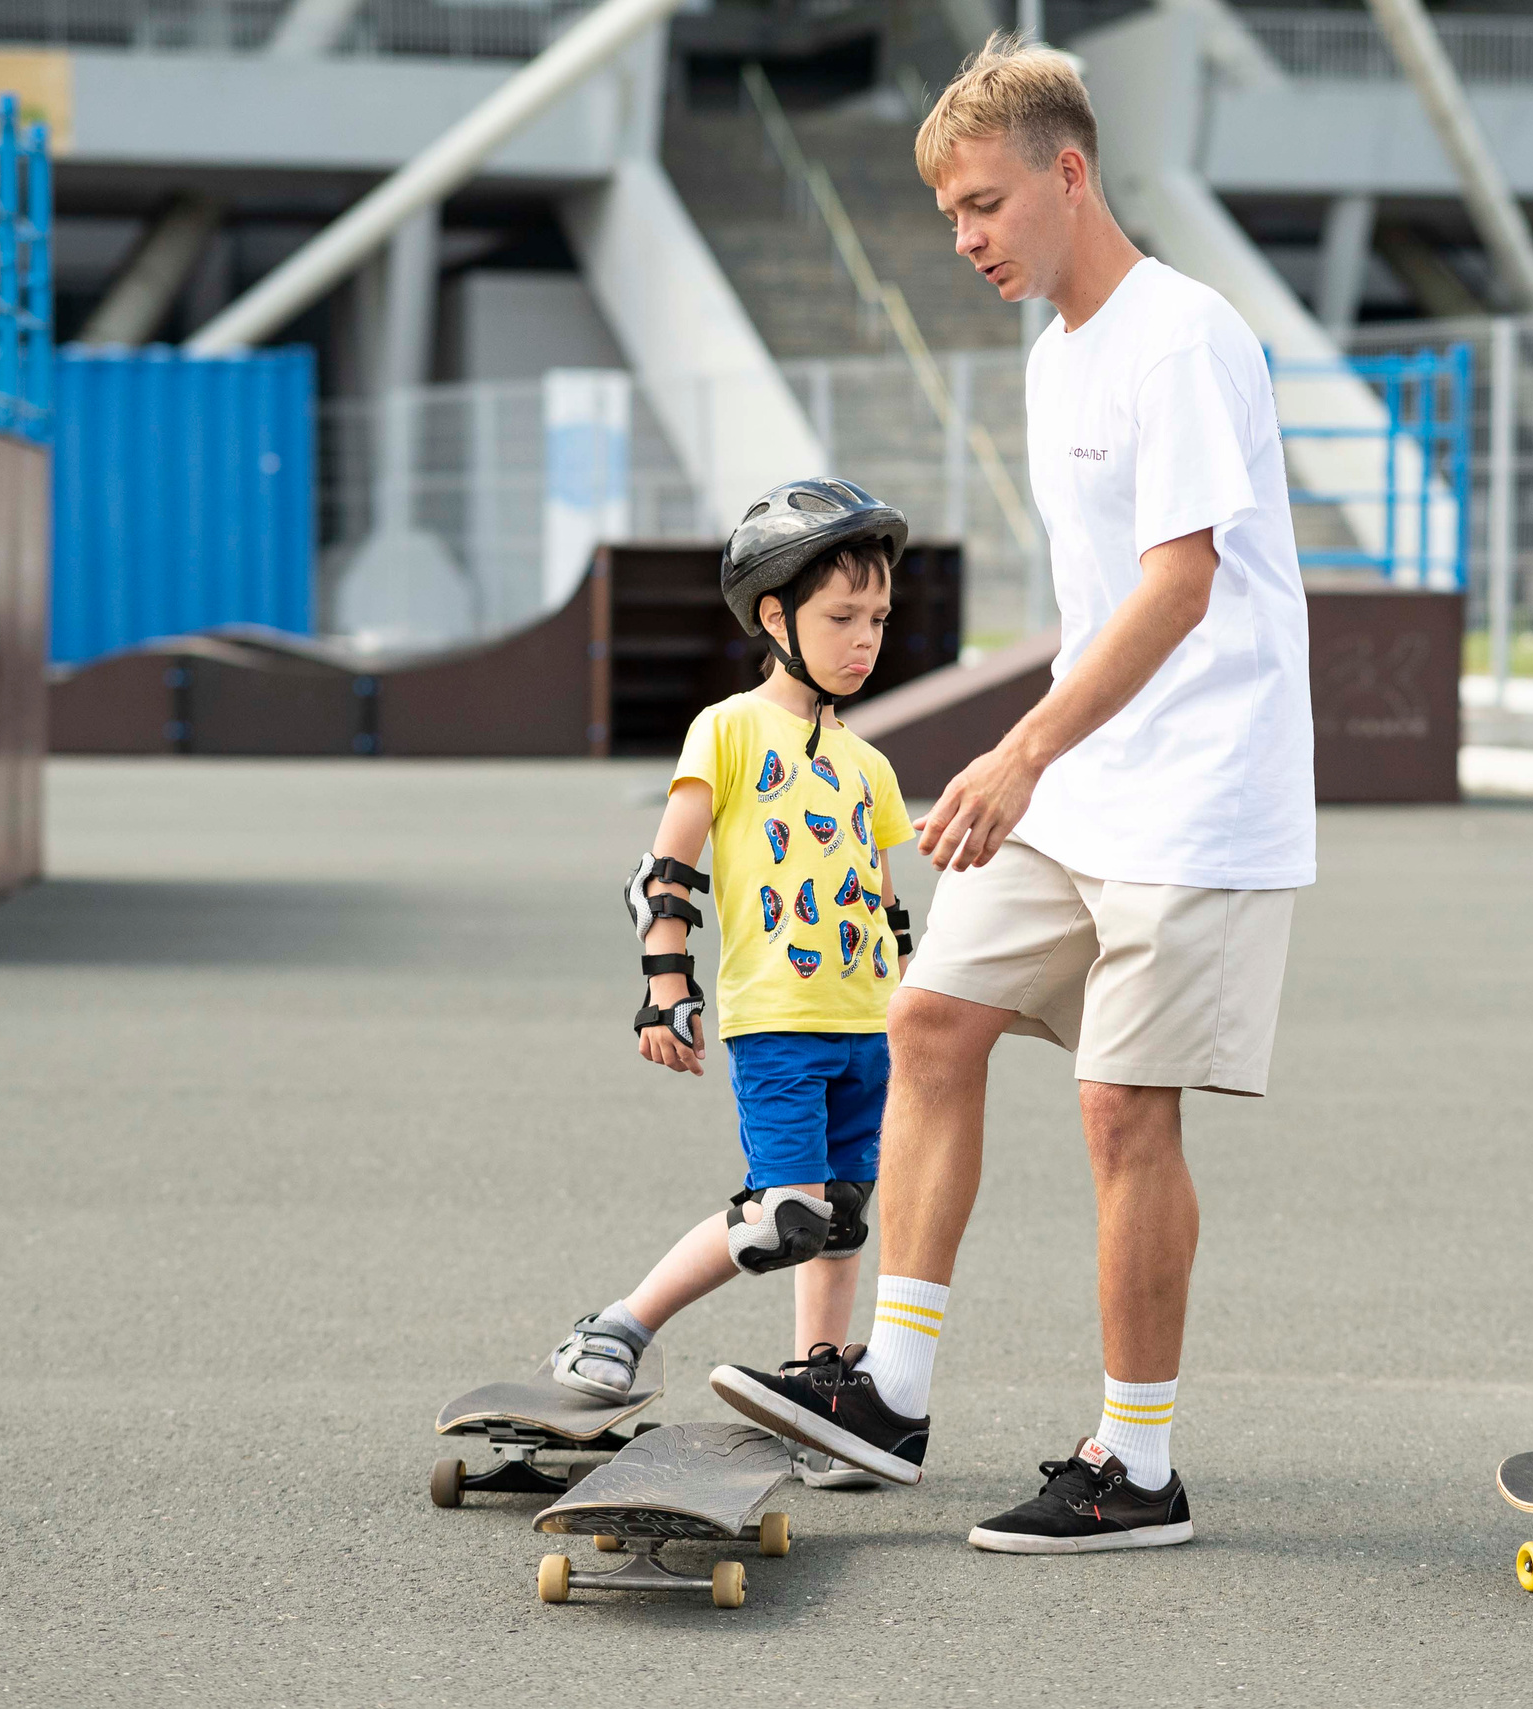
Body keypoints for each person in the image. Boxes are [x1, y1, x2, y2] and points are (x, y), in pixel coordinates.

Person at [708, 36, 1314, 1555]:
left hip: (1201, 793)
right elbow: (1097, 598)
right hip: (1085, 780)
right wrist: (1033, 749)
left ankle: (1138, 1465)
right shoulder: (1055, 356)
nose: (967, 239)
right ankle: (892, 1392)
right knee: (931, 1016)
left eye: (984, 204)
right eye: (949, 217)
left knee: (1121, 1110)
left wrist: (1023, 745)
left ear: (1070, 171)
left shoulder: (1181, 338)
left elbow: (1181, 588)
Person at [549, 477, 920, 1491]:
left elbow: (886, 906)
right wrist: (666, 979)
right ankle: (620, 1325)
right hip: (780, 1022)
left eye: (878, 618)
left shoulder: (870, 764)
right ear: (774, 614)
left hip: (867, 1023)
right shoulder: (727, 729)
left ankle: (818, 1393)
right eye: (843, 615)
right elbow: (665, 870)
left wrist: (919, 1004)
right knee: (782, 1216)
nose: (865, 638)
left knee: (843, 1213)